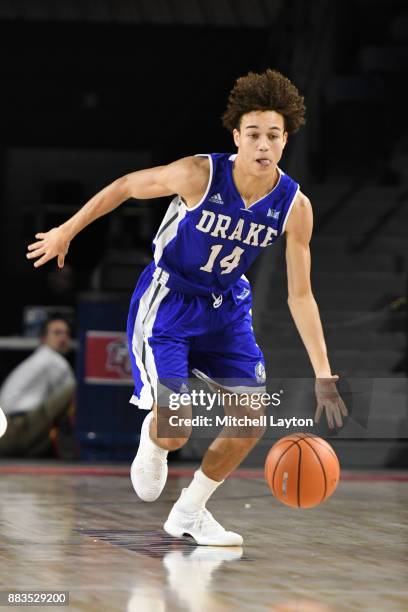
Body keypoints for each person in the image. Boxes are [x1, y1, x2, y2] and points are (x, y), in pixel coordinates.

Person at [25, 69, 347, 544]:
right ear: (236, 137)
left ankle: (190, 512)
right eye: (253, 134)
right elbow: (125, 185)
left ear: (285, 141)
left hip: (227, 309)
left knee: (251, 417)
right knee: (177, 431)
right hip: (170, 302)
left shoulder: (295, 207)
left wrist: (323, 371)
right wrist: (66, 230)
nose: (262, 145)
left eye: (273, 136)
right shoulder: (200, 174)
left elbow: (300, 294)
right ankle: (154, 439)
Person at [0, 316, 76, 457]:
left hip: (10, 433)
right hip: (16, 430)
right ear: (43, 338)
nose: (63, 338)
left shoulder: (39, 358)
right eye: (57, 333)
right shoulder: (51, 359)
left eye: (67, 333)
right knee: (77, 388)